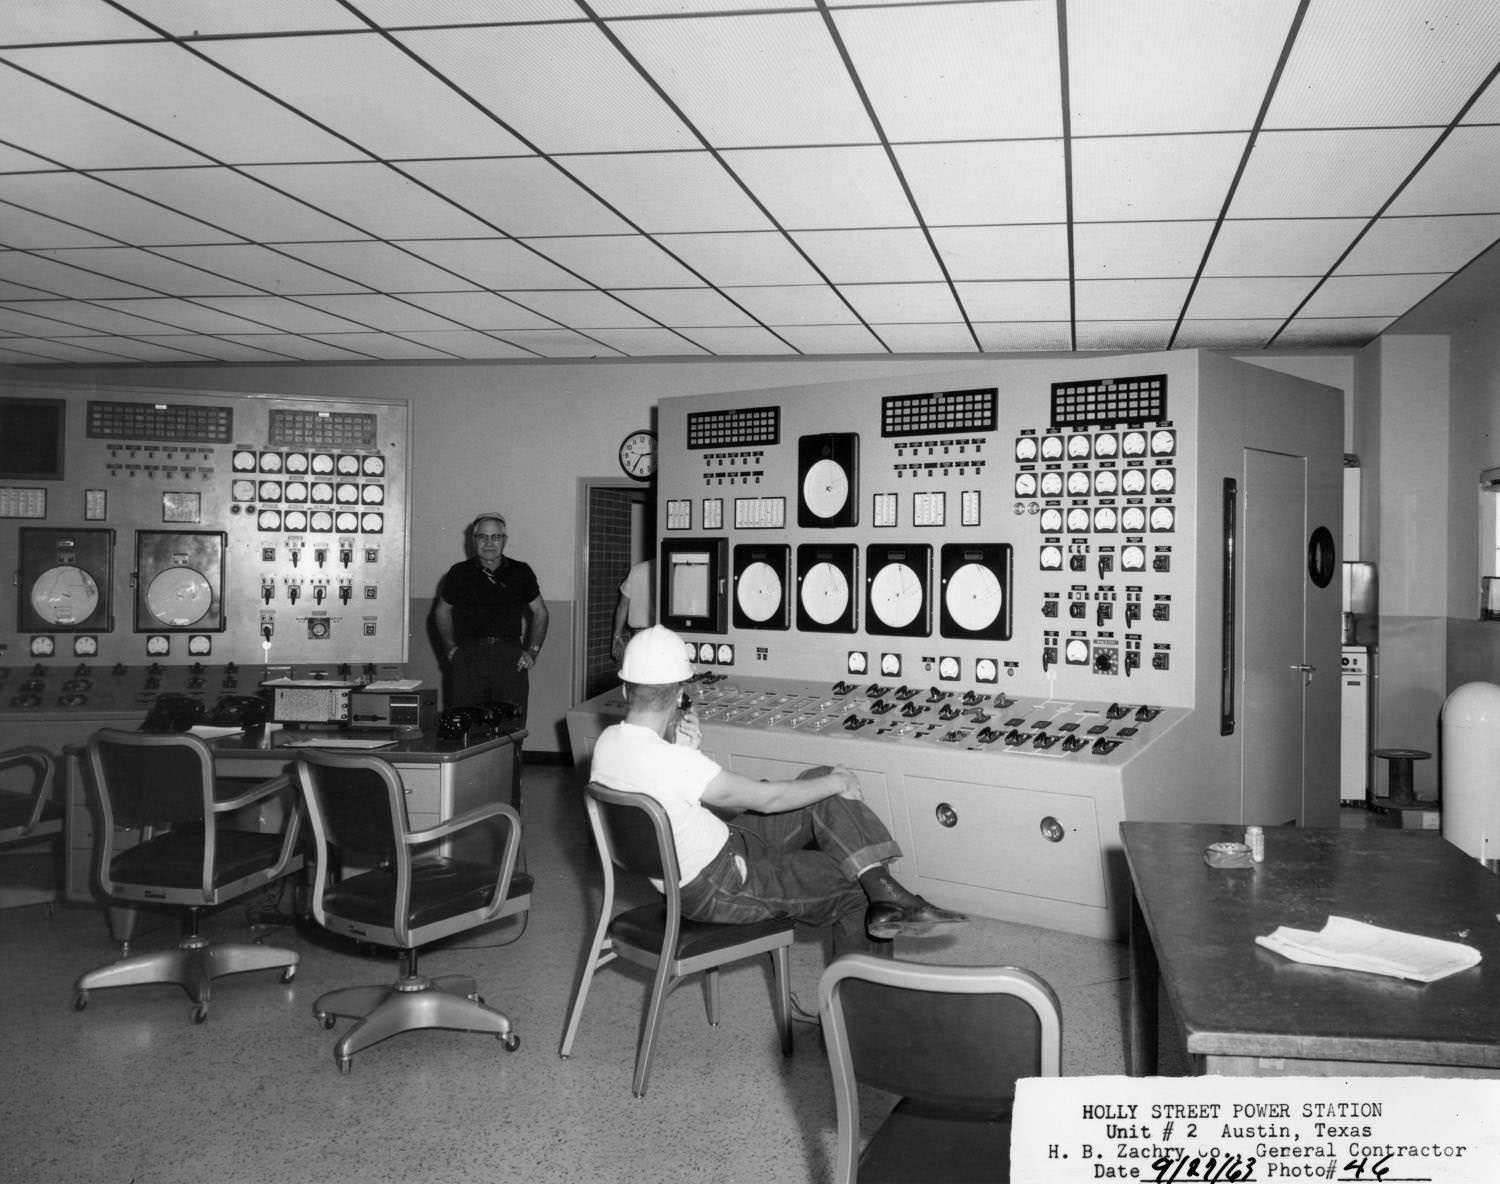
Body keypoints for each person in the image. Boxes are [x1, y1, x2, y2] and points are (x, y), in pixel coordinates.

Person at [589, 625, 966, 952]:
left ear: (625, 690)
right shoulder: (677, 764)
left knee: (819, 782)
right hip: (721, 886)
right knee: (853, 887)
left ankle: (885, 889)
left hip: (705, 859)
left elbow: (666, 790)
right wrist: (840, 780)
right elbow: (767, 801)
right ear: (679, 692)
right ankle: (856, 1016)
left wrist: (685, 749)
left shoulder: (608, 743)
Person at [433, 513, 549, 722]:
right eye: (482, 537)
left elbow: (540, 611)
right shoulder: (459, 573)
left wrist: (533, 651)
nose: (489, 543)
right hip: (468, 657)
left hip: (509, 658)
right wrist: (450, 647)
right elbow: (442, 610)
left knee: (511, 727)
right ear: (473, 539)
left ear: (504, 540)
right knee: (466, 725)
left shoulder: (520, 571)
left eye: (495, 537)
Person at [610, 557, 656, 663]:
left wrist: (616, 636)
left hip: (638, 637)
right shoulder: (669, 568)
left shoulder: (637, 570)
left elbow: (623, 605)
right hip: (662, 635)